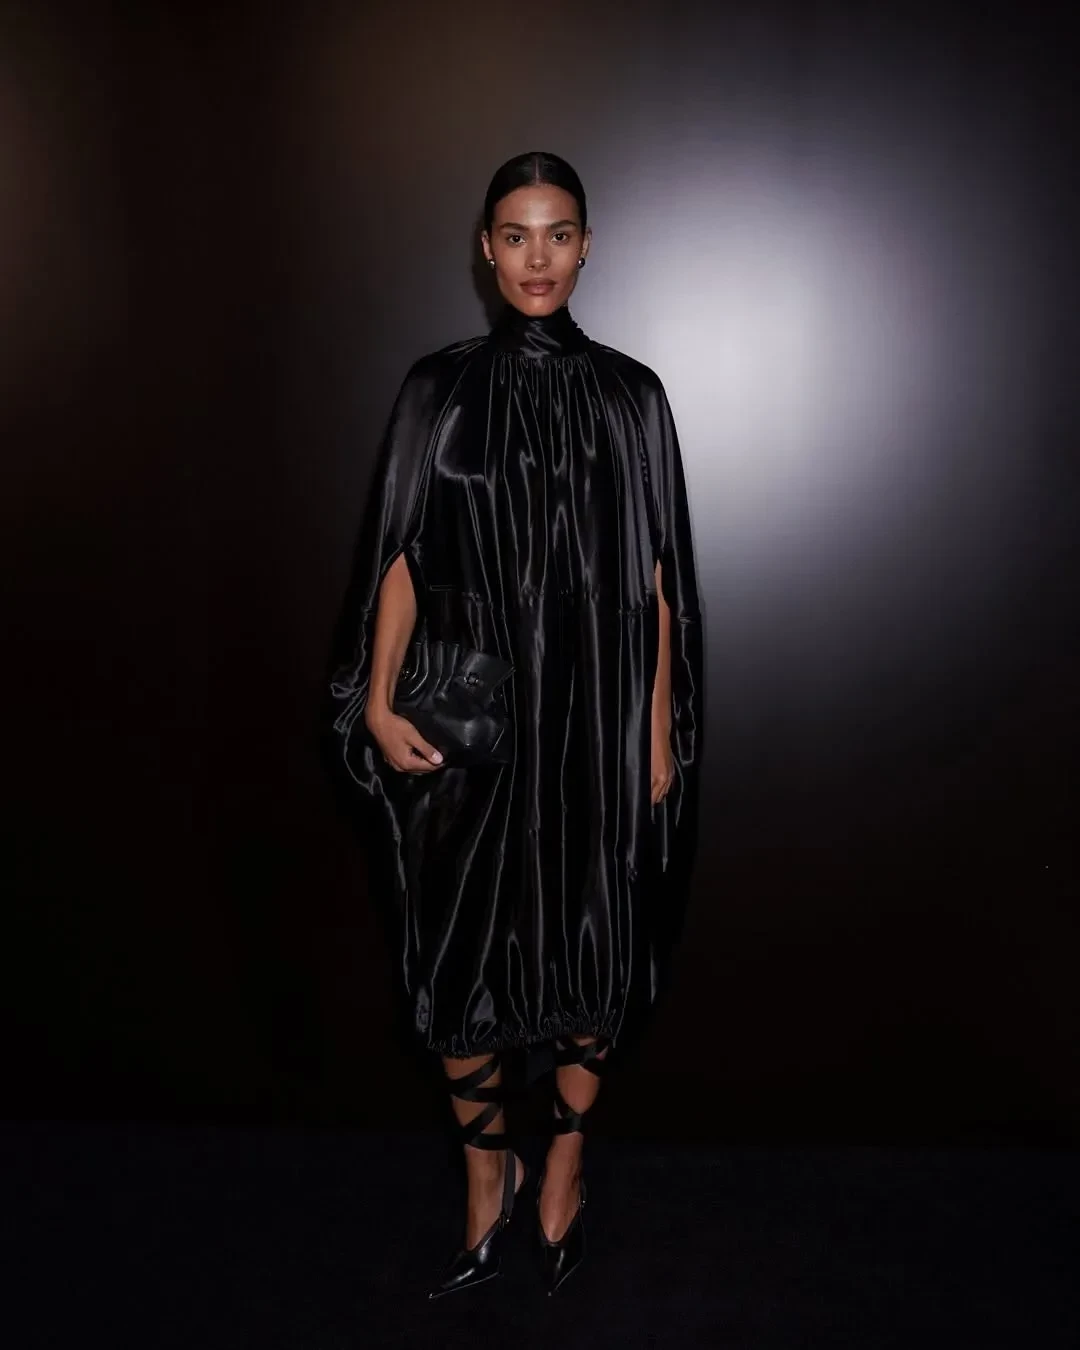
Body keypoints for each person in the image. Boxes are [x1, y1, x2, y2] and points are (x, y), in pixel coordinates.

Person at [328, 151, 703, 1298]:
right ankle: (486, 1173)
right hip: (472, 717)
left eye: (559, 233)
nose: (538, 257)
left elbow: (660, 581)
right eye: (515, 234)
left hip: (597, 719)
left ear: (588, 248)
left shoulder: (633, 396)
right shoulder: (435, 390)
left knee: (597, 946)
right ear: (484, 250)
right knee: (458, 963)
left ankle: (566, 1161)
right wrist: (378, 699)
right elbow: (398, 556)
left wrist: (655, 728)